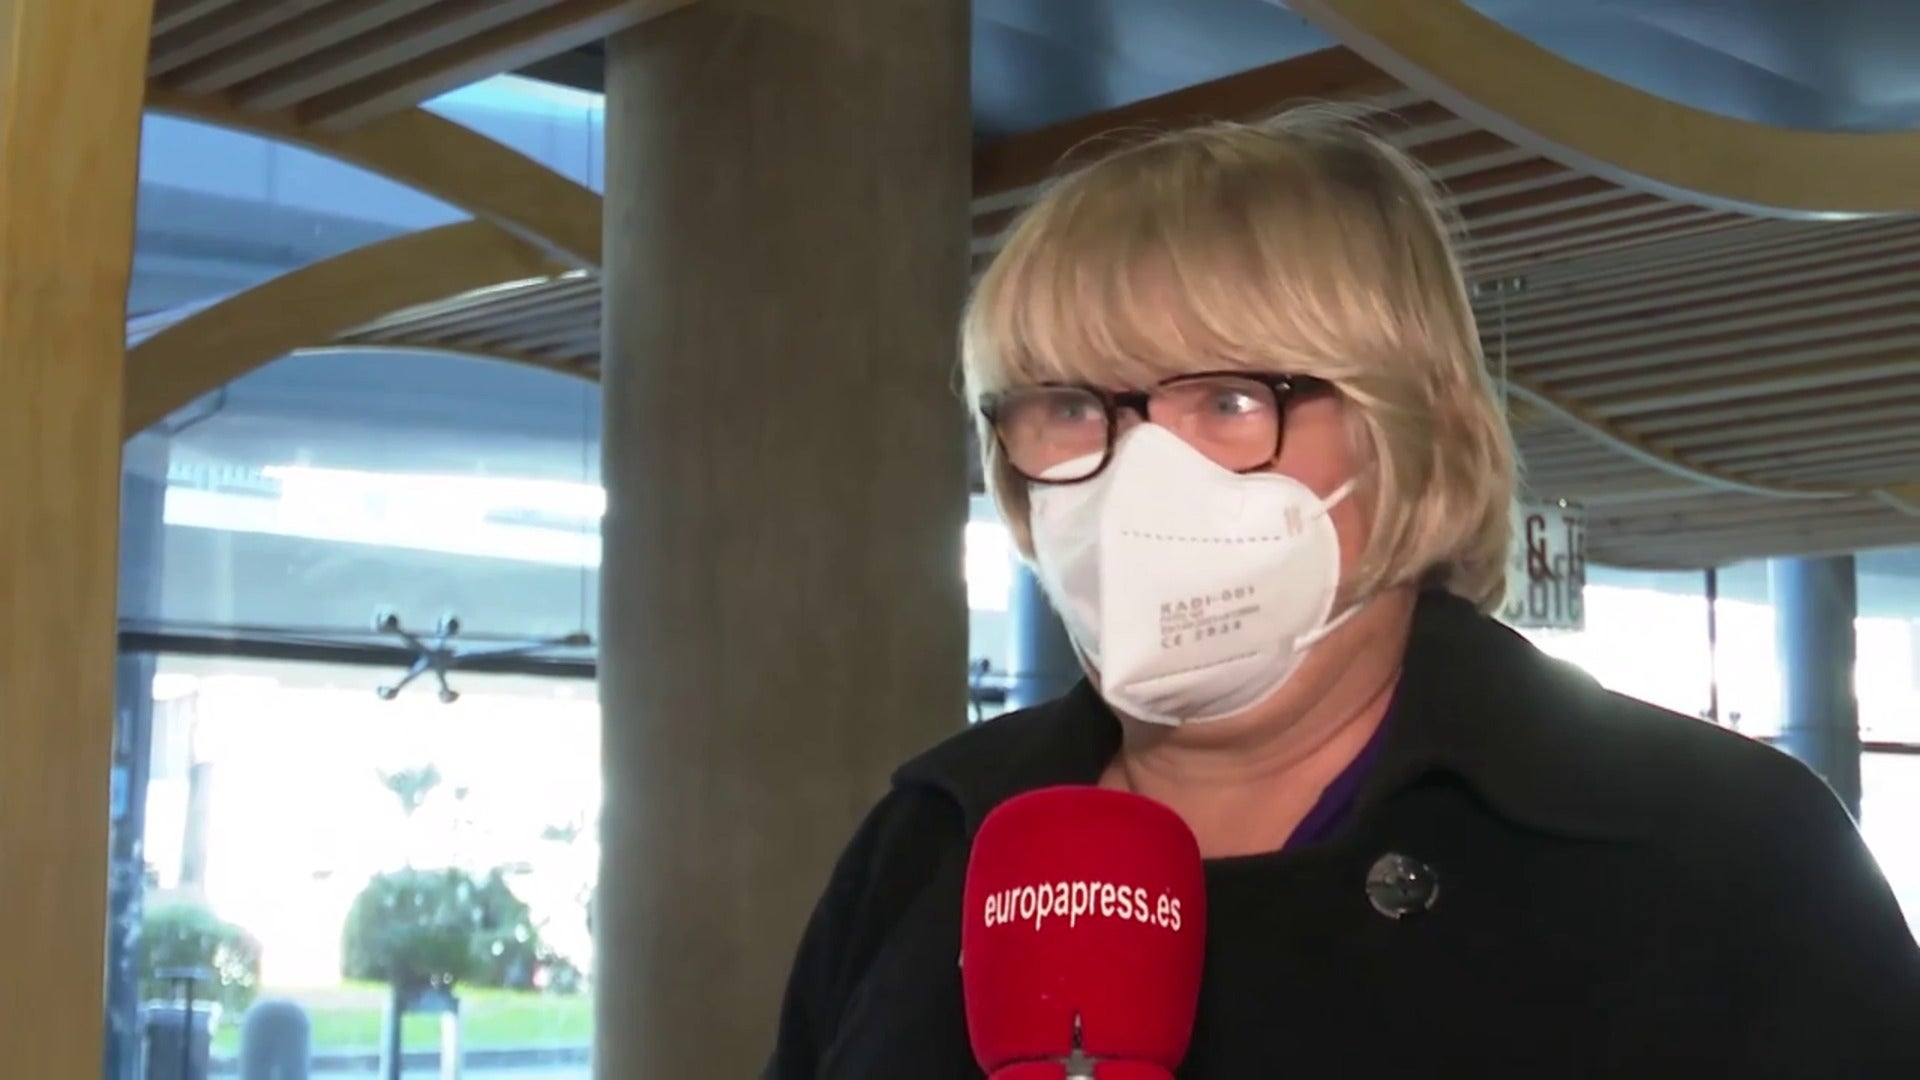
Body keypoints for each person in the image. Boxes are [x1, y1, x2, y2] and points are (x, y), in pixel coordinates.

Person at [766, 108, 1920, 1077]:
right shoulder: (931, 842)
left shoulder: (1712, 854)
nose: (1135, 478)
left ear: (1411, 435)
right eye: (1070, 408)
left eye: (1228, 401)